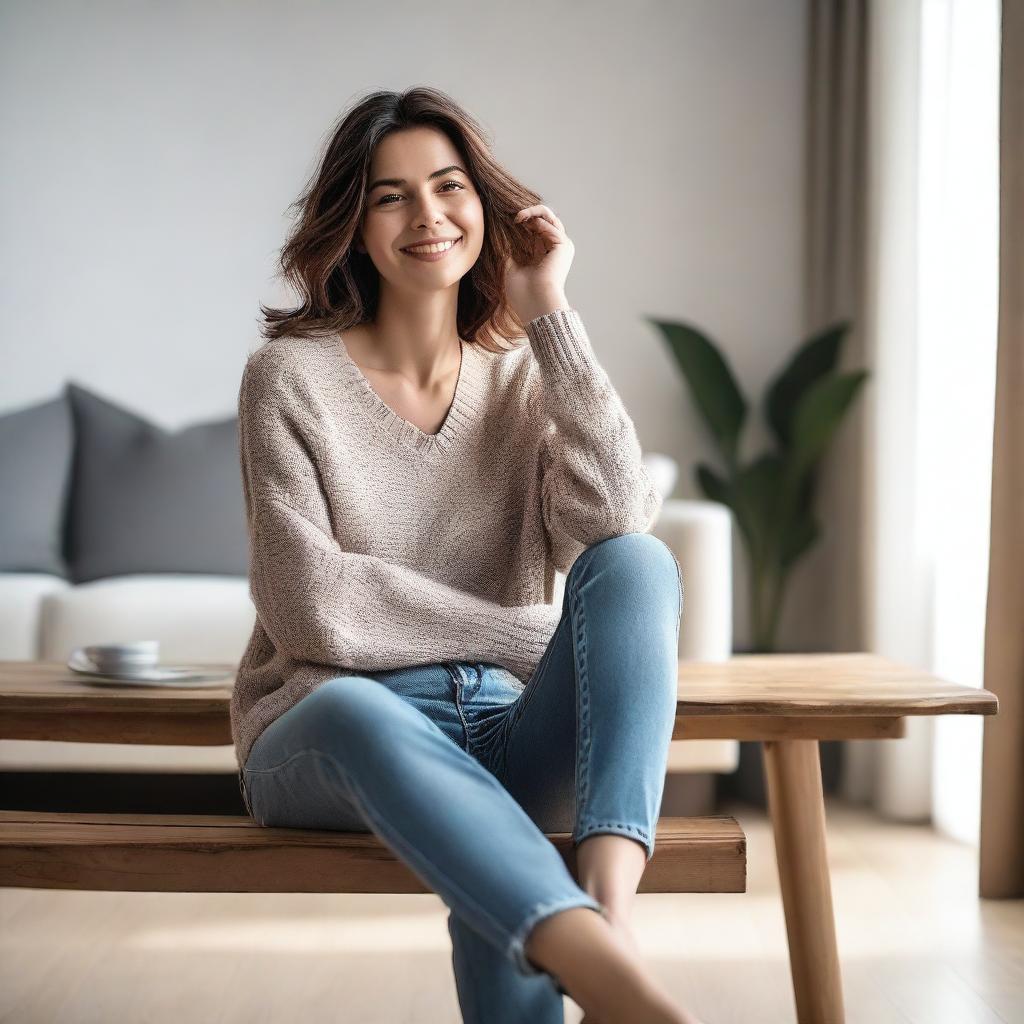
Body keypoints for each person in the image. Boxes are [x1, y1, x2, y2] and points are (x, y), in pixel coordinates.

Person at [230, 86, 699, 1024]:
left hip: (502, 732)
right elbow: (316, 607)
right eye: (390, 194)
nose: (428, 215)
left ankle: (607, 913)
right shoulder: (288, 379)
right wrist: (528, 634)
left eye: (448, 186)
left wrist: (550, 317)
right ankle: (609, 981)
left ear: (485, 206)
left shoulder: (523, 375)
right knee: (359, 705)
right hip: (327, 734)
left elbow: (615, 520)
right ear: (353, 224)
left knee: (641, 565)